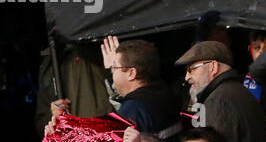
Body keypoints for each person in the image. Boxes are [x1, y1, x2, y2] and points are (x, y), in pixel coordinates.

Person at [48, 36, 176, 136]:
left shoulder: (132, 111)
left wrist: (63, 122)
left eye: (114, 67)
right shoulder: (165, 94)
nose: (112, 72)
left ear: (131, 73)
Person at [175, 40, 266, 142]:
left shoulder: (219, 100)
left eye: (191, 69)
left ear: (213, 67)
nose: (187, 77)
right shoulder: (235, 91)